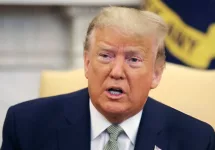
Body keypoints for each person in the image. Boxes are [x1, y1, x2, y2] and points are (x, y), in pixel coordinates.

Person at [1, 6, 214, 150]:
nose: (116, 72)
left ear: (156, 74)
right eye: (105, 56)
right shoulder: (26, 127)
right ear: (87, 63)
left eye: (133, 59)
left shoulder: (195, 140)